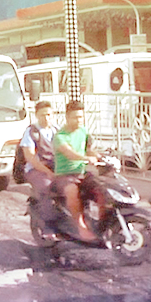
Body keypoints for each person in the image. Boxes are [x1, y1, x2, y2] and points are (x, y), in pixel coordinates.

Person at [52, 100, 103, 243]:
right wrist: (87, 158)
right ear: (67, 117)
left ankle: (103, 223)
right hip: (65, 175)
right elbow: (70, 153)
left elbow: (89, 148)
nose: (79, 120)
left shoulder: (83, 130)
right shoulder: (60, 136)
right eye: (75, 117)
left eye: (81, 117)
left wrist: (98, 155)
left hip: (82, 173)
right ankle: (81, 227)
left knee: (103, 189)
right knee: (72, 191)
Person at [20, 101, 57, 237]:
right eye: (42, 115)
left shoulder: (56, 131)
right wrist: (48, 172)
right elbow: (30, 157)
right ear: (36, 115)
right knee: (47, 187)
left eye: (48, 114)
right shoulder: (32, 132)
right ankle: (48, 226)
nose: (46, 118)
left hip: (55, 168)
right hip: (36, 170)